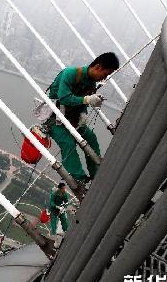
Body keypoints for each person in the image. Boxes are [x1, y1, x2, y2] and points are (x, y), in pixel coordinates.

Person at [47, 52, 119, 183]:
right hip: (54, 117)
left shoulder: (91, 84)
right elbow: (64, 97)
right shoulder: (71, 73)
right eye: (105, 74)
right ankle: (78, 179)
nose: (104, 78)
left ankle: (96, 172)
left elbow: (82, 102)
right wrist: (87, 99)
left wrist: (88, 106)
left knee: (90, 137)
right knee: (68, 143)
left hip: (72, 117)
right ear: (98, 67)